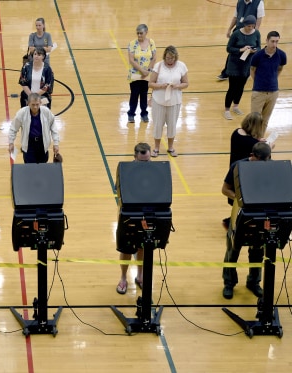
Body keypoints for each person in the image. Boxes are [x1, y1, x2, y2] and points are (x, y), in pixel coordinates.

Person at [221, 142, 271, 299]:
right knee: (233, 250)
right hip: (240, 213)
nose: (264, 165)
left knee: (257, 250)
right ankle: (229, 283)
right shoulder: (238, 166)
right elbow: (225, 189)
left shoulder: (269, 167)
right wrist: (241, 199)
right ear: (252, 156)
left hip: (260, 214)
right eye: (261, 161)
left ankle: (254, 282)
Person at [222, 112, 270, 229]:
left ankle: (234, 218)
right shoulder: (252, 143)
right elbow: (260, 149)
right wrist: (268, 145)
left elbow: (249, 141)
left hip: (234, 169)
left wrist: (257, 140)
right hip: (246, 173)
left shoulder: (236, 133)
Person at [115, 142, 151, 294]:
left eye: (147, 161)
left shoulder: (154, 170)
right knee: (126, 249)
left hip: (147, 214)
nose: (145, 164)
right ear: (135, 157)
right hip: (129, 214)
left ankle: (140, 275)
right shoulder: (125, 170)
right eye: (141, 161)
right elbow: (119, 189)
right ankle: (123, 278)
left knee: (142, 247)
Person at [148, 46, 189, 158]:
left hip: (174, 101)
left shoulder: (181, 66)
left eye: (172, 58)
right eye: (167, 58)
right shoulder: (158, 66)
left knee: (172, 125)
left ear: (175, 57)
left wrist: (177, 86)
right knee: (158, 125)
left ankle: (170, 148)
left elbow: (186, 83)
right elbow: (150, 83)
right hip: (159, 101)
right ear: (164, 57)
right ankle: (156, 148)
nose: (169, 60)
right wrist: (161, 85)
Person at [223, 15, 261, 120]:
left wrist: (254, 50)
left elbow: (259, 47)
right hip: (235, 64)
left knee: (241, 87)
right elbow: (229, 48)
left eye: (252, 26)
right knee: (232, 87)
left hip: (247, 64)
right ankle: (227, 110)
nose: (250, 28)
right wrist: (241, 50)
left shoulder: (256, 33)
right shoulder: (236, 34)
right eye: (249, 26)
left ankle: (236, 106)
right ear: (244, 25)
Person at [217, 0, 265, 81]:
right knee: (233, 52)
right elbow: (236, 17)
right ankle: (226, 72)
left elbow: (259, 19)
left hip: (249, 32)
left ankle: (250, 72)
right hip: (238, 31)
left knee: (250, 53)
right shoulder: (240, 2)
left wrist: (254, 33)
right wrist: (229, 29)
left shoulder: (259, 2)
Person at [250, 31, 287, 130]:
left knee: (265, 121)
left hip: (273, 92)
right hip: (258, 92)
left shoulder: (282, 55)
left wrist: (273, 79)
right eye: (272, 41)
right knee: (254, 121)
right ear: (266, 41)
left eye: (276, 42)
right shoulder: (257, 56)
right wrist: (257, 82)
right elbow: (252, 70)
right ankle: (252, 143)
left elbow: (280, 68)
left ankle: (260, 142)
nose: (274, 44)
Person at [9, 93, 59, 164]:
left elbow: (53, 127)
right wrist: (11, 142)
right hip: (29, 145)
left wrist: (56, 143)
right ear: (28, 103)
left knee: (43, 167)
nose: (35, 107)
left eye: (37, 104)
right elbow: (13, 128)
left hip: (43, 144)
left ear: (40, 103)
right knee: (30, 168)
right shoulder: (21, 113)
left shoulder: (46, 112)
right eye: (33, 104)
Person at [127, 24, 156, 123]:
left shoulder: (151, 42)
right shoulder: (132, 44)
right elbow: (131, 60)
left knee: (144, 94)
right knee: (134, 94)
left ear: (146, 32)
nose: (139, 35)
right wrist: (142, 71)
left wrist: (147, 70)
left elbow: (154, 58)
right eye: (137, 33)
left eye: (141, 33)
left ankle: (144, 114)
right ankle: (131, 114)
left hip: (146, 75)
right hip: (135, 74)